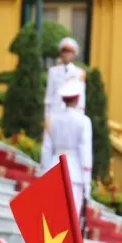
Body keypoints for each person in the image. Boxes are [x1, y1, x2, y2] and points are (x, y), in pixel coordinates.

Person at [41, 79, 92, 214]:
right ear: (77, 99)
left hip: (54, 167)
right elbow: (85, 152)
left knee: (53, 214)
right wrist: (87, 182)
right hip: (74, 171)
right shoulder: (84, 121)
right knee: (71, 215)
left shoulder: (51, 118)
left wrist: (44, 172)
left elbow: (46, 148)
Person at [44, 37, 86, 118]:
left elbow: (81, 98)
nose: (66, 54)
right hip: (55, 113)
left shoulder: (80, 73)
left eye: (69, 51)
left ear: (75, 54)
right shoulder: (53, 71)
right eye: (64, 51)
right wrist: (47, 117)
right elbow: (49, 97)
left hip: (73, 113)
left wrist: (80, 116)